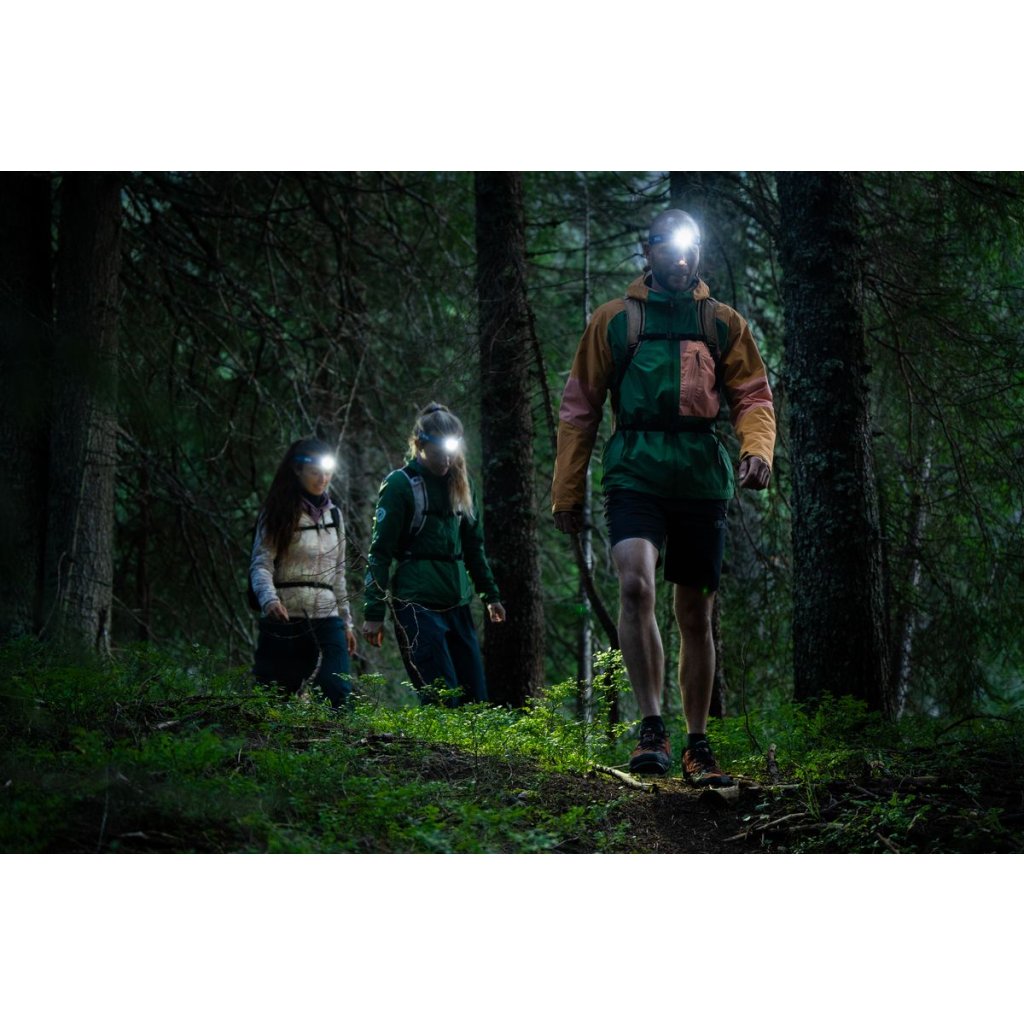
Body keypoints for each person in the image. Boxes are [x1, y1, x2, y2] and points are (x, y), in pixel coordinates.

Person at [552, 209, 776, 785]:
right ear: (646, 251)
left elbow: (753, 396)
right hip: (635, 472)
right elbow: (579, 409)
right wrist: (567, 491)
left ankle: (698, 743)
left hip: (701, 478)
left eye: (691, 248)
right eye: (669, 247)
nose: (682, 258)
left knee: (695, 611)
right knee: (635, 584)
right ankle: (652, 729)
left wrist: (758, 449)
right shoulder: (614, 321)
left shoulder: (721, 322)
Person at [362, 403, 506, 705]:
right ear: (420, 445)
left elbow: (473, 546)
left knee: (475, 699)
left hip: (457, 603)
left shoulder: (463, 485)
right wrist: (373, 612)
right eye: (439, 451)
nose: (447, 459)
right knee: (440, 695)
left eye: (452, 451)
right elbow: (380, 553)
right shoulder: (400, 485)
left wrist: (490, 595)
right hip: (417, 605)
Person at [250, 437, 357, 708]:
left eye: (327, 472)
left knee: (337, 689)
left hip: (327, 618)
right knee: (275, 695)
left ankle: (339, 737)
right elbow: (261, 564)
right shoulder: (277, 512)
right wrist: (269, 600)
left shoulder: (335, 516)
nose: (323, 478)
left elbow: (339, 574)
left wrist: (346, 622)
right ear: (297, 471)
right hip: (286, 617)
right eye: (315, 472)